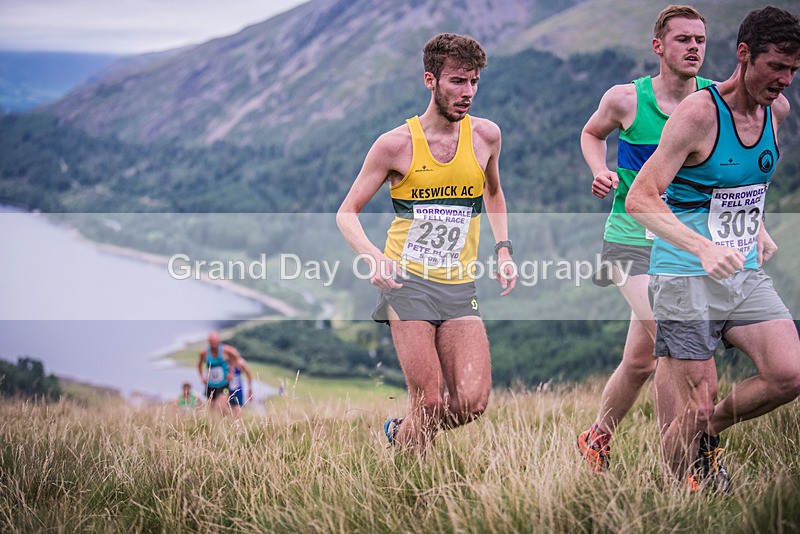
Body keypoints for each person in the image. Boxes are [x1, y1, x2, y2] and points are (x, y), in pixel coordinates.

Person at [627, 6, 800, 492]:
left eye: (793, 70)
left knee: (789, 374)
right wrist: (702, 248)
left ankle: (708, 434)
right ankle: (677, 488)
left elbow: (741, 185)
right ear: (744, 55)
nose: (785, 80)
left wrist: (758, 227)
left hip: (742, 272)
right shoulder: (700, 114)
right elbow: (642, 198)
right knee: (693, 404)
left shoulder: (776, 112)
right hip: (685, 273)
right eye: (776, 67)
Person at [337, 33, 517, 450]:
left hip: (458, 285)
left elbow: (492, 192)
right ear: (430, 80)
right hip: (407, 282)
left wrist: (503, 248)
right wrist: (373, 257)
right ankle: (410, 489)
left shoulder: (486, 136)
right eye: (457, 81)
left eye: (473, 82)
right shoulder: (395, 145)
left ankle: (400, 434)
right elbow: (346, 212)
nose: (468, 92)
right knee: (431, 402)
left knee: (471, 402)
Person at [577, 5, 711, 472]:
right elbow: (592, 134)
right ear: (659, 47)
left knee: (640, 361)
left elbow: (731, 179)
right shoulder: (627, 100)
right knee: (674, 342)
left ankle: (596, 437)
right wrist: (600, 170)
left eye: (700, 39)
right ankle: (687, 465)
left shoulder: (714, 102)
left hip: (683, 244)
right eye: (683, 39)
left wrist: (760, 227)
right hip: (629, 241)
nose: (694, 47)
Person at [196, 330, 241, 412]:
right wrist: (202, 377)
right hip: (210, 385)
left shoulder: (225, 350)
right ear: (208, 342)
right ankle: (224, 420)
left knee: (220, 407)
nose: (214, 344)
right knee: (211, 410)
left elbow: (236, 357)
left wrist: (231, 371)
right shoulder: (204, 353)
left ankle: (231, 419)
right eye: (212, 342)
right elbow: (199, 365)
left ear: (219, 341)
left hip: (224, 385)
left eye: (216, 341)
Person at [228, 353, 254, 417]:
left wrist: (250, 390)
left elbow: (249, 374)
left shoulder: (240, 362)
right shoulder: (224, 360)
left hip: (237, 389)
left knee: (238, 409)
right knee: (224, 408)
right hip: (225, 389)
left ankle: (238, 424)